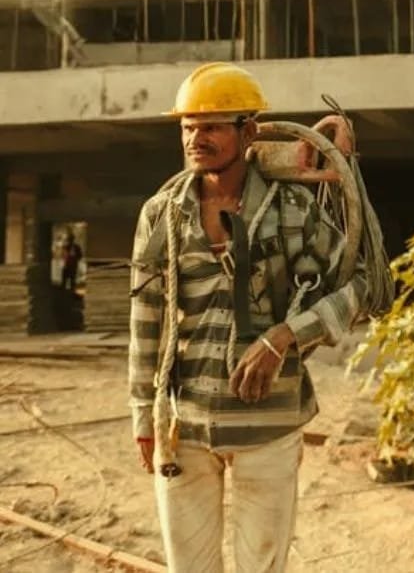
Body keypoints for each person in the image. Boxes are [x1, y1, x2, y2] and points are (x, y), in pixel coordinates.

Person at [127, 62, 367, 572]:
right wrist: (144, 414)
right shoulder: (161, 213)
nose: (196, 139)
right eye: (188, 127)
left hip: (269, 425)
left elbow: (359, 287)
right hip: (185, 425)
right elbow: (145, 318)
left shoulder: (292, 210)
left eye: (212, 127)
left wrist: (285, 336)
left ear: (249, 131)